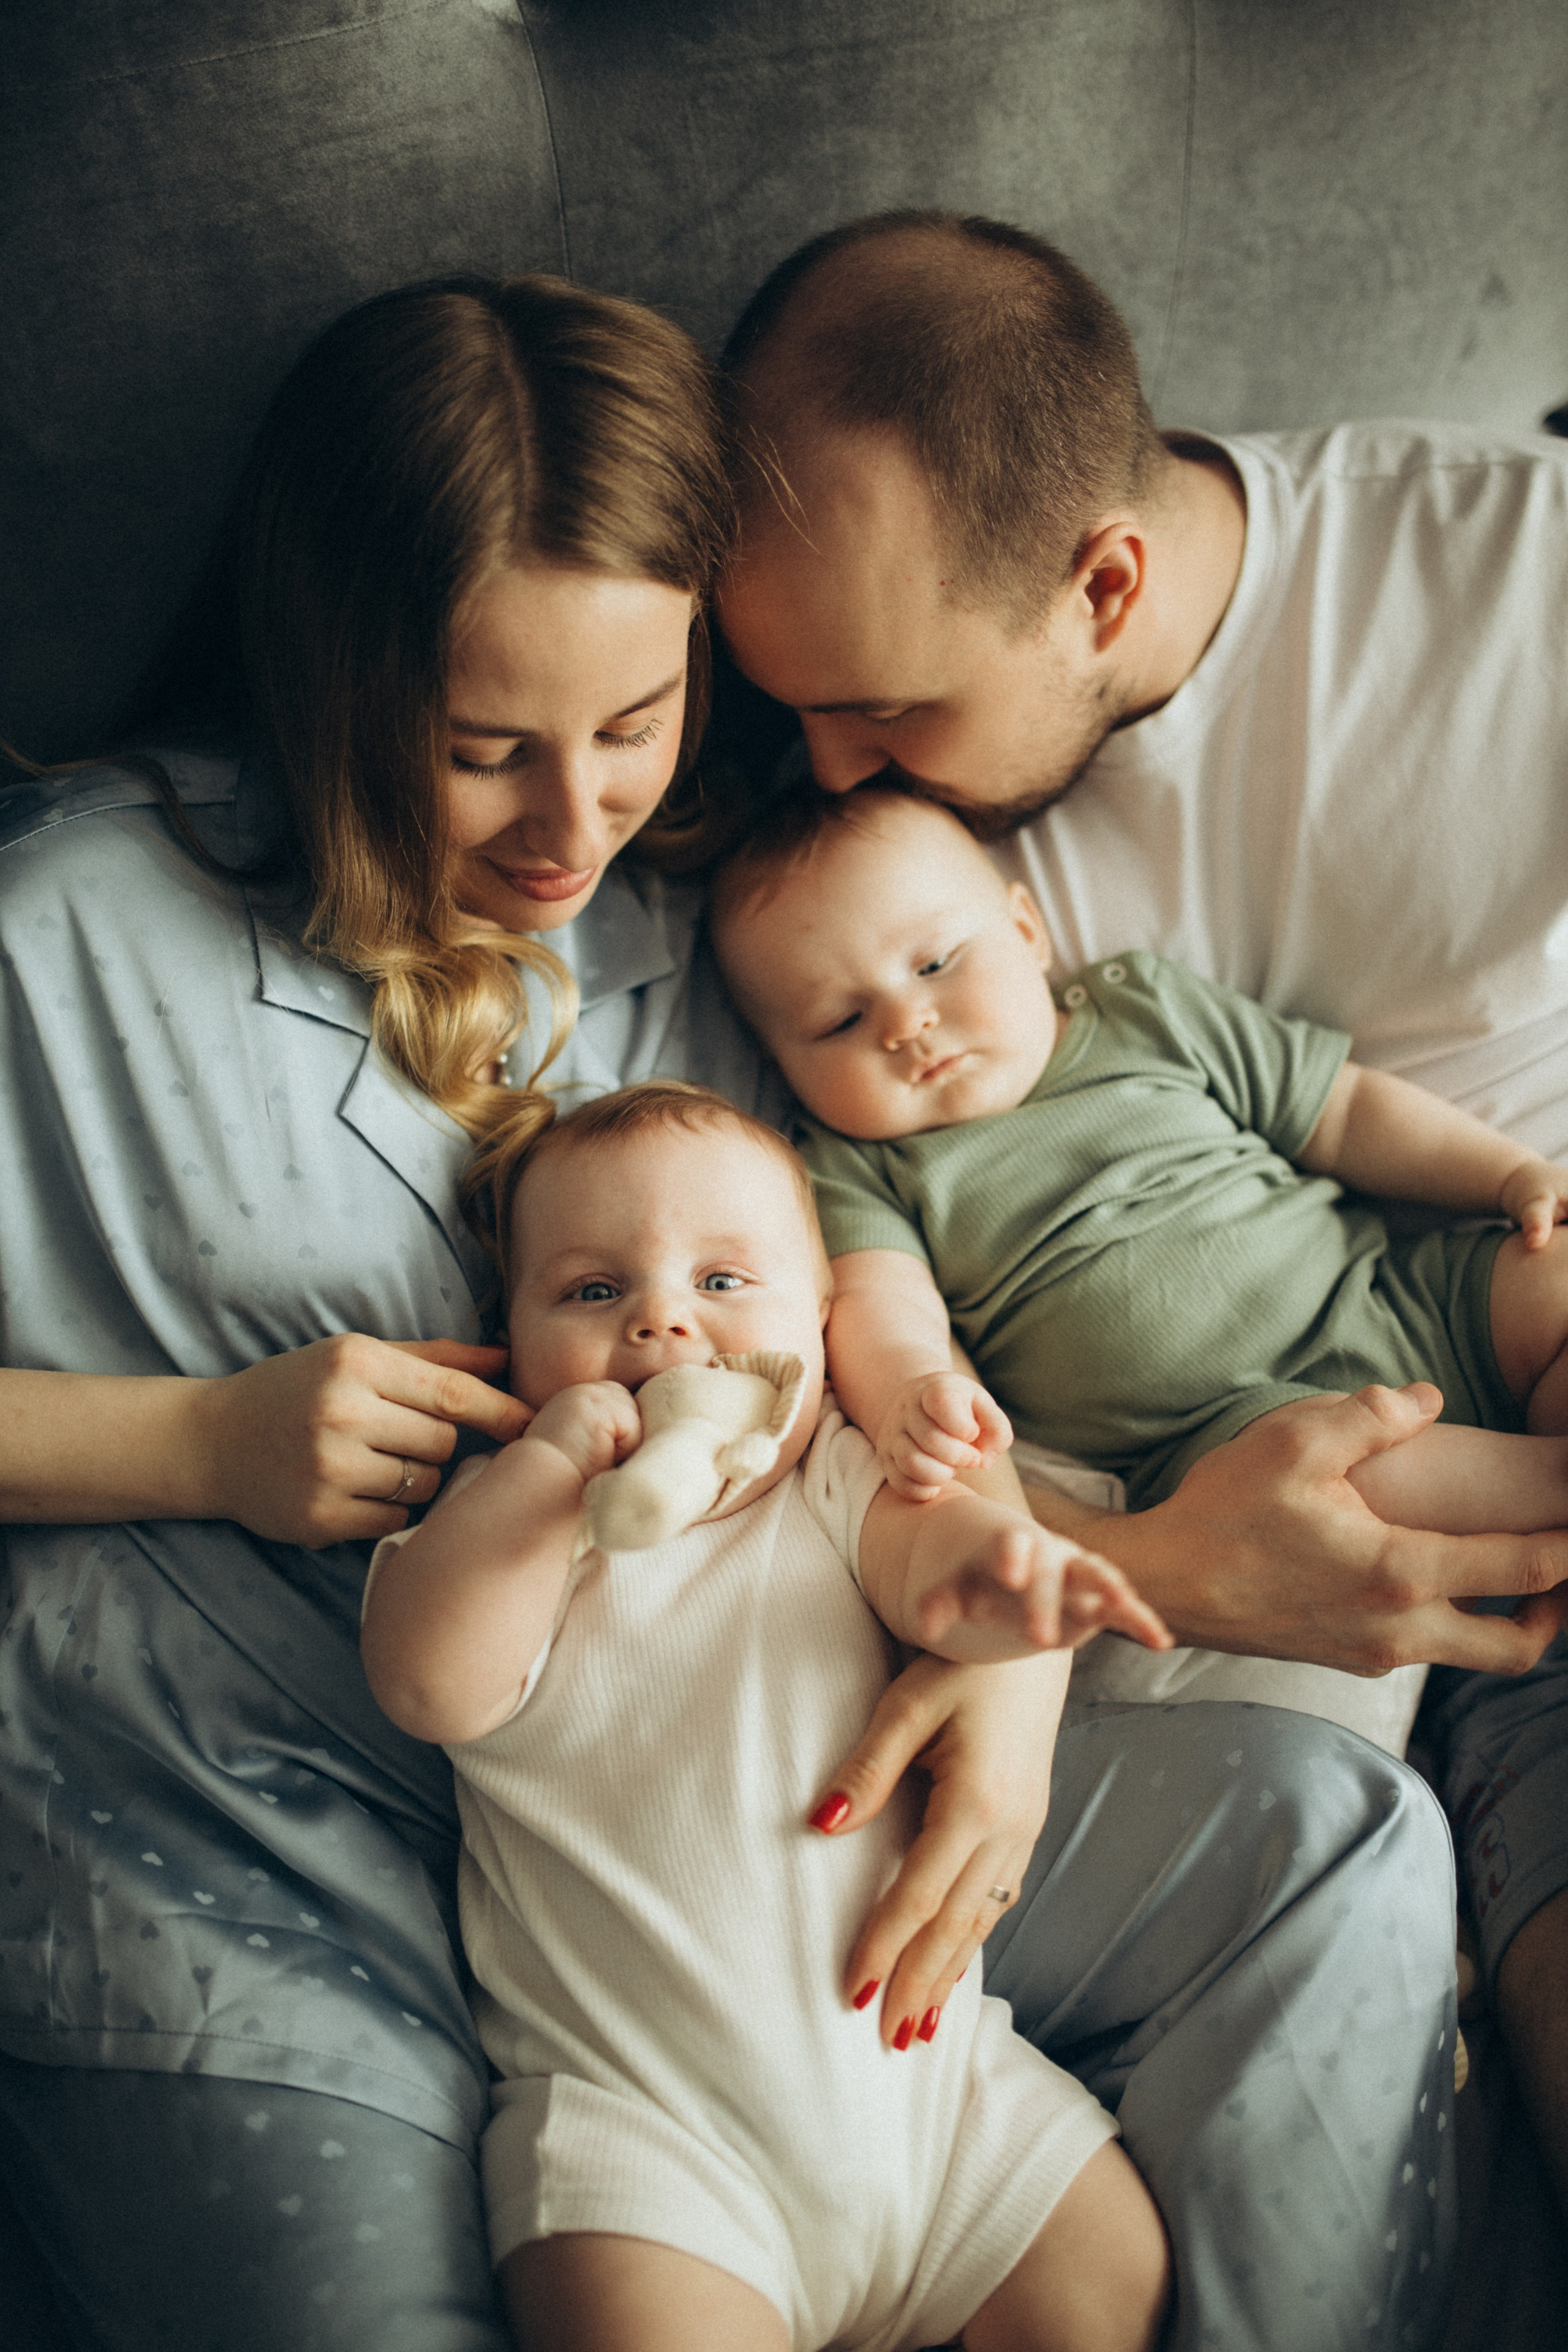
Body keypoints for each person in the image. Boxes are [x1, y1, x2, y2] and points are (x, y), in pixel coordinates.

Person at [0, 261, 1456, 2352]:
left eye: (634, 725)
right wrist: (193, 1440)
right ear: (330, 678)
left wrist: (1032, 1660)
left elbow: (923, 1373)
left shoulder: (743, 936)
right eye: (486, 746)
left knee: (1335, 1848)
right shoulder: (65, 933)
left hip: (761, 1800)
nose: (571, 823)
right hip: (260, 1847)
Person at [713, 208, 1568, 2225]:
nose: (822, 769)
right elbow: (841, 1370)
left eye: (888, 716)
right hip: (1150, 1569)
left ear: (1104, 584)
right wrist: (1157, 1558)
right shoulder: (824, 868)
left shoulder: (1515, 582)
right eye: (796, 716)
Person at [361, 1080, 1172, 2352]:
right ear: (509, 1342)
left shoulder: (836, 1483)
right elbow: (424, 1683)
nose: (663, 1322)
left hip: (941, 2107)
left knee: (1111, 2278)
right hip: (655, 2150)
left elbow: (936, 1568)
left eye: (726, 1284)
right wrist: (547, 1465)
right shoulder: (517, 1541)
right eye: (590, 1294)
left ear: (821, 1330)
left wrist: (1010, 1583)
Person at [710, 785, 1568, 1531]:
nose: (906, 1023)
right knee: (1342, 1483)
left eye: (935, 963)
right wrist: (911, 1396)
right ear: (783, 1065)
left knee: (1554, 1280)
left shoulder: (1143, 1011)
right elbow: (885, 1310)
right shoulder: (853, 1169)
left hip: (1404, 1296)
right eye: (839, 1022)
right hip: (1236, 1431)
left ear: (1026, 931)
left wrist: (1506, 1174)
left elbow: (1344, 1111)